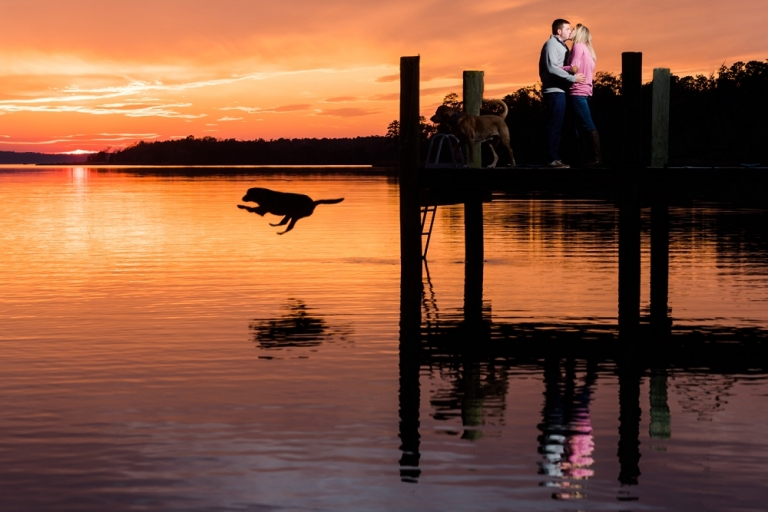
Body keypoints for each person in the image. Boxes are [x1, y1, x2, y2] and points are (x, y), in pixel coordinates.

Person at [539, 19, 585, 169]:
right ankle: (551, 159)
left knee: (560, 127)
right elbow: (552, 68)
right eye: (567, 28)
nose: (570, 31)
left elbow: (559, 66)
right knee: (554, 126)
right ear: (559, 31)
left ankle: (555, 157)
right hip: (554, 92)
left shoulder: (562, 45)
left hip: (560, 91)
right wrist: (573, 78)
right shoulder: (551, 44)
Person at [564, 24, 602, 167]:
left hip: (577, 91)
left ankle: (597, 159)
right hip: (586, 91)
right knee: (580, 126)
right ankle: (584, 158)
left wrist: (555, 68)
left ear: (579, 33)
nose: (571, 31)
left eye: (573, 29)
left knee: (588, 125)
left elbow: (574, 68)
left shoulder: (578, 46)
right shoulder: (588, 50)